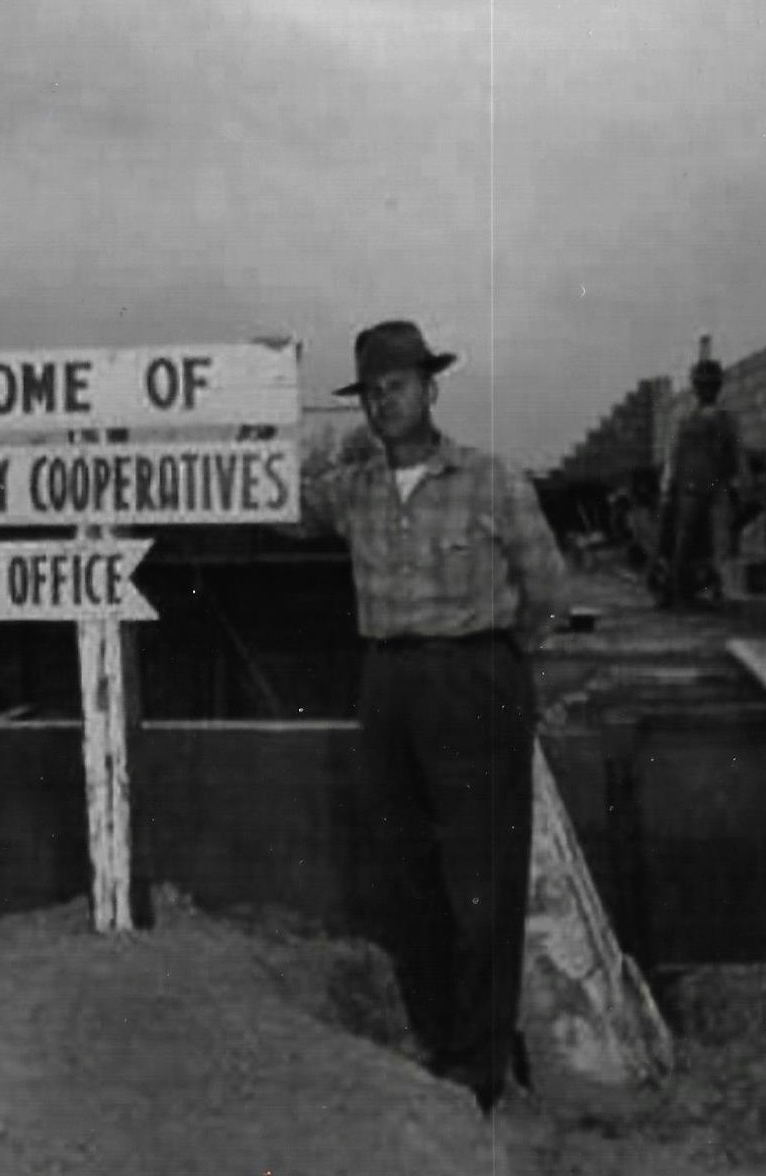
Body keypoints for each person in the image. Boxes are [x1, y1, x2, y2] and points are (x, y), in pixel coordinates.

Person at [302, 320, 566, 1114]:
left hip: (473, 679)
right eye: (374, 391)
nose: (386, 403)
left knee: (480, 879)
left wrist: (494, 659)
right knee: (405, 874)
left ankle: (478, 1068)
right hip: (386, 683)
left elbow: (547, 591)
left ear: (430, 389)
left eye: (399, 386)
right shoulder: (354, 490)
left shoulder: (491, 481)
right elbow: (277, 501)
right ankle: (435, 1039)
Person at [654, 357, 747, 608]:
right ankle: (678, 593)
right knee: (683, 543)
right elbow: (674, 456)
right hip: (691, 490)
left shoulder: (724, 420)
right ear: (696, 387)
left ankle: (716, 592)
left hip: (714, 488)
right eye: (702, 384)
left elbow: (736, 454)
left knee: (719, 543)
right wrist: (668, 488)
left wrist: (741, 483)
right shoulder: (687, 420)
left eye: (711, 384)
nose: (706, 389)